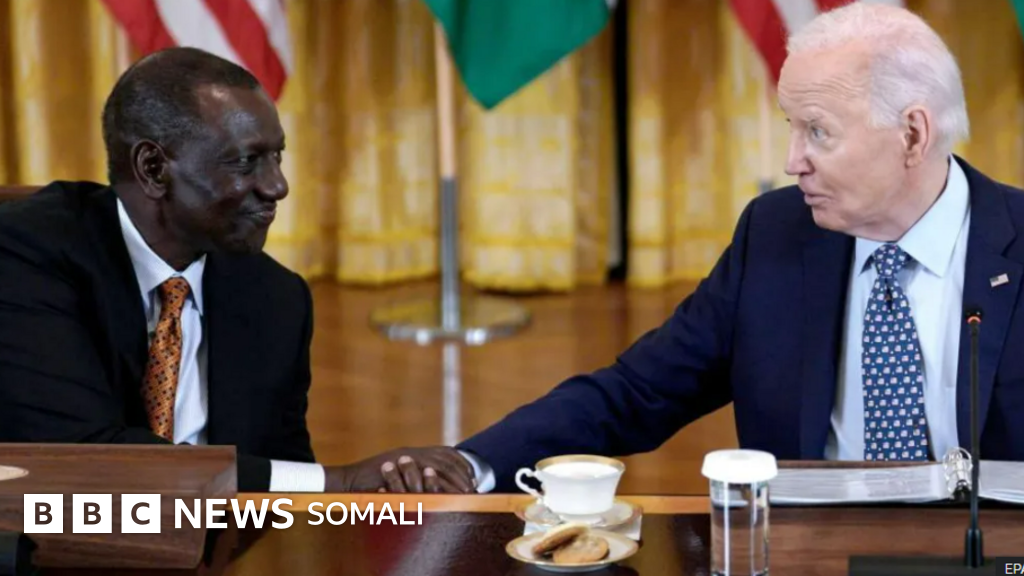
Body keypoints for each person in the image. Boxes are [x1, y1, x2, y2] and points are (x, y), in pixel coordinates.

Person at [456, 2, 1024, 492]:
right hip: (806, 553)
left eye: (818, 132)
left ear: (912, 134)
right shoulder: (776, 232)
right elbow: (639, 390)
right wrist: (471, 464)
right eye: (791, 126)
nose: (792, 161)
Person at [0, 47, 474, 494]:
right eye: (247, 161)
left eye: (277, 157)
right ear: (154, 168)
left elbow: (283, 476)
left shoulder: (275, 298)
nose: (277, 186)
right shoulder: (24, 256)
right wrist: (340, 481)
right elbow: (86, 460)